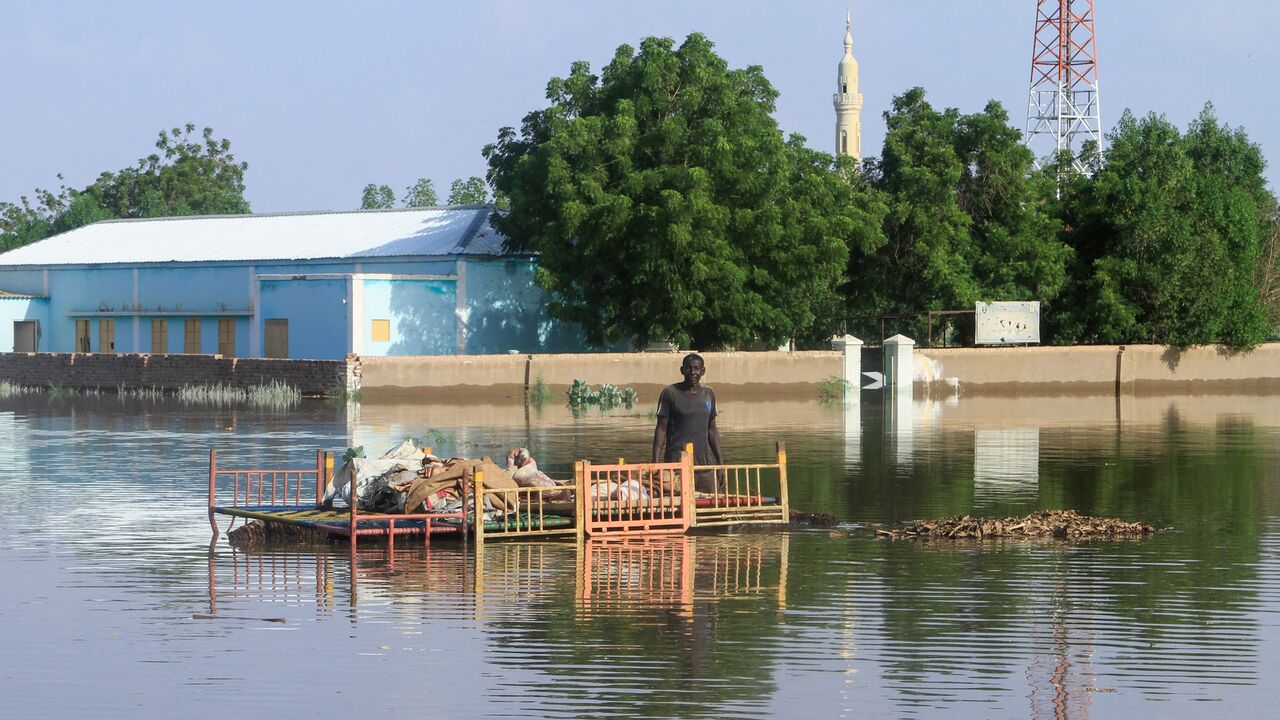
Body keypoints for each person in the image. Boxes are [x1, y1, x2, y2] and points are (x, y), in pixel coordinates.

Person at [652, 353, 723, 492]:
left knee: (715, 502)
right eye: (689, 368)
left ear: (703, 371)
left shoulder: (709, 395)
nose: (692, 372)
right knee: (679, 505)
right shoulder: (670, 393)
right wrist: (655, 463)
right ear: (682, 370)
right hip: (677, 465)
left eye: (696, 369)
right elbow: (661, 430)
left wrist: (720, 464)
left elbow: (712, 430)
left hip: (703, 467)